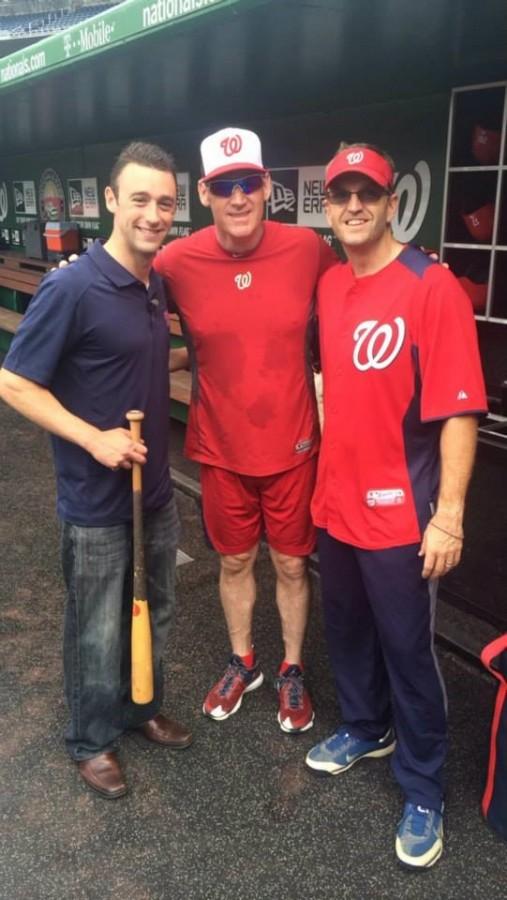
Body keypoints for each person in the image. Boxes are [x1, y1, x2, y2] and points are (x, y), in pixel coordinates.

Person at [304, 143, 487, 868]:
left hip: (402, 513)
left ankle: (421, 785)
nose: (354, 205)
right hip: (336, 502)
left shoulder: (429, 285)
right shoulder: (328, 285)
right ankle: (364, 726)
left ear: (389, 203)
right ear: (328, 206)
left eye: (367, 194)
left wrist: (449, 513)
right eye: (341, 194)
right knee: (345, 631)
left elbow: (458, 411)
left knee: (409, 652)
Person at [0, 142, 192, 800]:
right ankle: (91, 738)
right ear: (111, 201)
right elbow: (16, 383)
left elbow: (136, 359)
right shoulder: (71, 286)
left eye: (164, 202)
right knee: (96, 623)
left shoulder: (152, 284)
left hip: (155, 494)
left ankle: (140, 705)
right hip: (95, 498)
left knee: (155, 609)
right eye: (139, 199)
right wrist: (94, 440)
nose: (152, 213)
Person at [155, 127, 336, 734]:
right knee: (235, 563)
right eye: (224, 186)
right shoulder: (176, 261)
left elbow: (359, 287)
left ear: (267, 188)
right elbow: (120, 295)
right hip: (221, 447)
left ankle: (291, 668)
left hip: (293, 446)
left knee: (290, 566)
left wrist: (419, 268)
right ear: (205, 193)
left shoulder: (308, 248)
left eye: (249, 184)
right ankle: (243, 661)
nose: (238, 197)